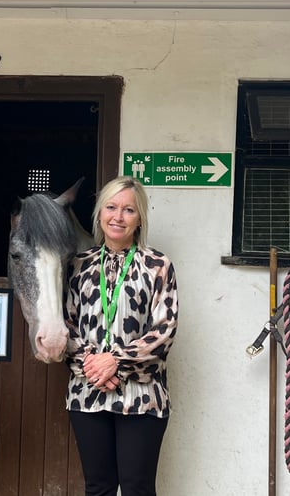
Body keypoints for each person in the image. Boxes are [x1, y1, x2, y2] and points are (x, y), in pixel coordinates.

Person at [63, 176, 178, 496]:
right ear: (99, 213)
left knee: (136, 487)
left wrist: (115, 361)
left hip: (143, 399)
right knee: (97, 487)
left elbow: (164, 329)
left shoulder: (158, 265)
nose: (118, 216)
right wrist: (91, 364)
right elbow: (66, 325)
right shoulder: (79, 265)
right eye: (111, 207)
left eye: (128, 210)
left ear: (139, 218)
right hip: (87, 395)